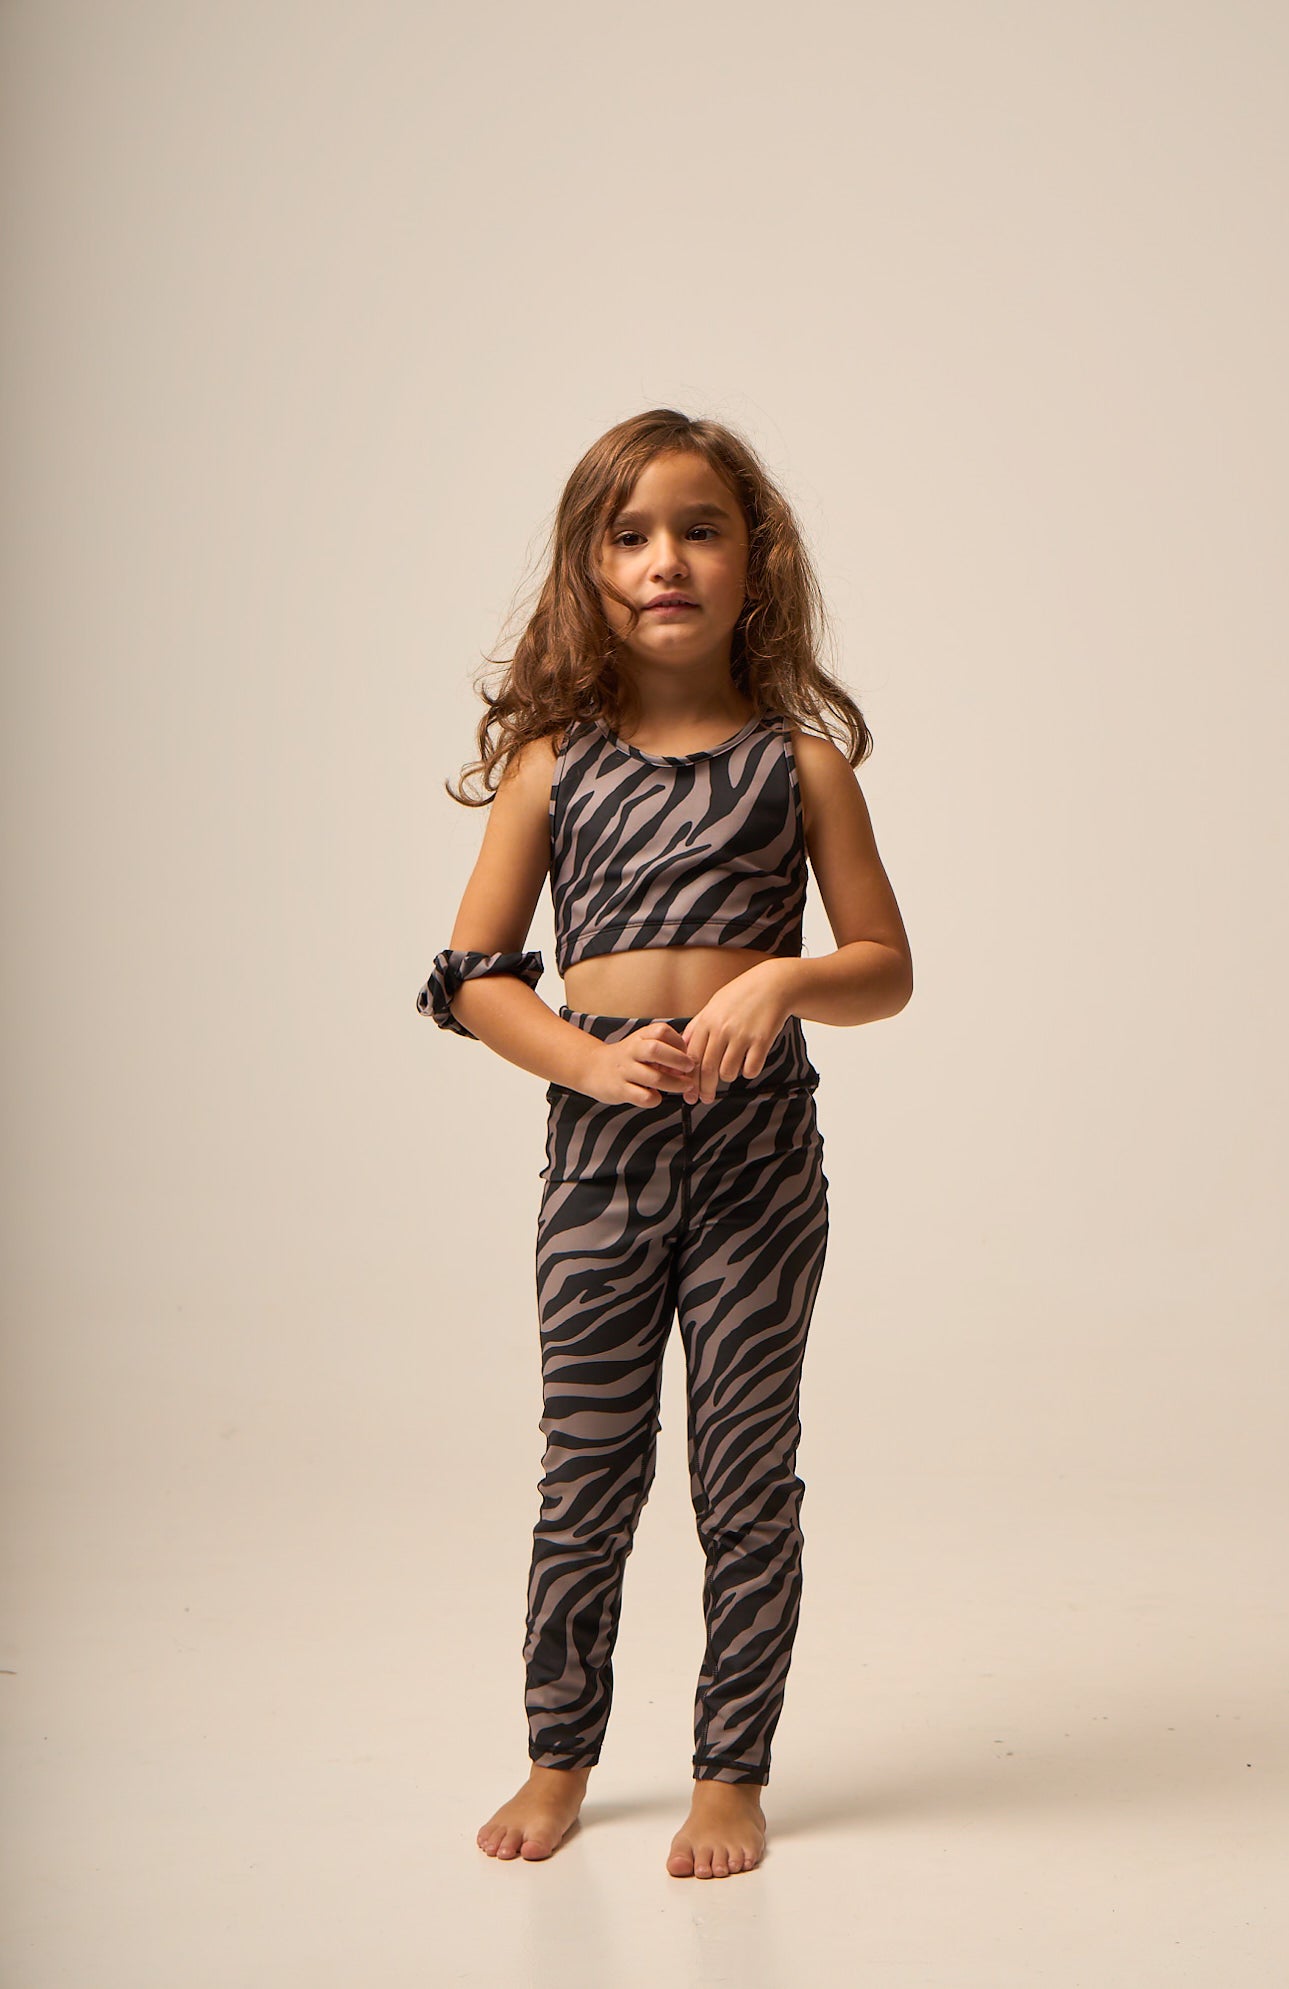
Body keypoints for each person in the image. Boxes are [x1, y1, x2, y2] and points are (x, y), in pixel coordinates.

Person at [416, 408, 912, 1879]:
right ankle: (557, 1753)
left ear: (756, 561)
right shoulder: (553, 768)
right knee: (587, 1468)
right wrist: (586, 1058)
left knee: (745, 1475)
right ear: (589, 569)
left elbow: (885, 966)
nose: (665, 561)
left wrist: (785, 980)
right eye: (629, 536)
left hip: (759, 1164)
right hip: (600, 1166)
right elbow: (469, 979)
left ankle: (729, 1771)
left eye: (700, 530)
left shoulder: (800, 766)